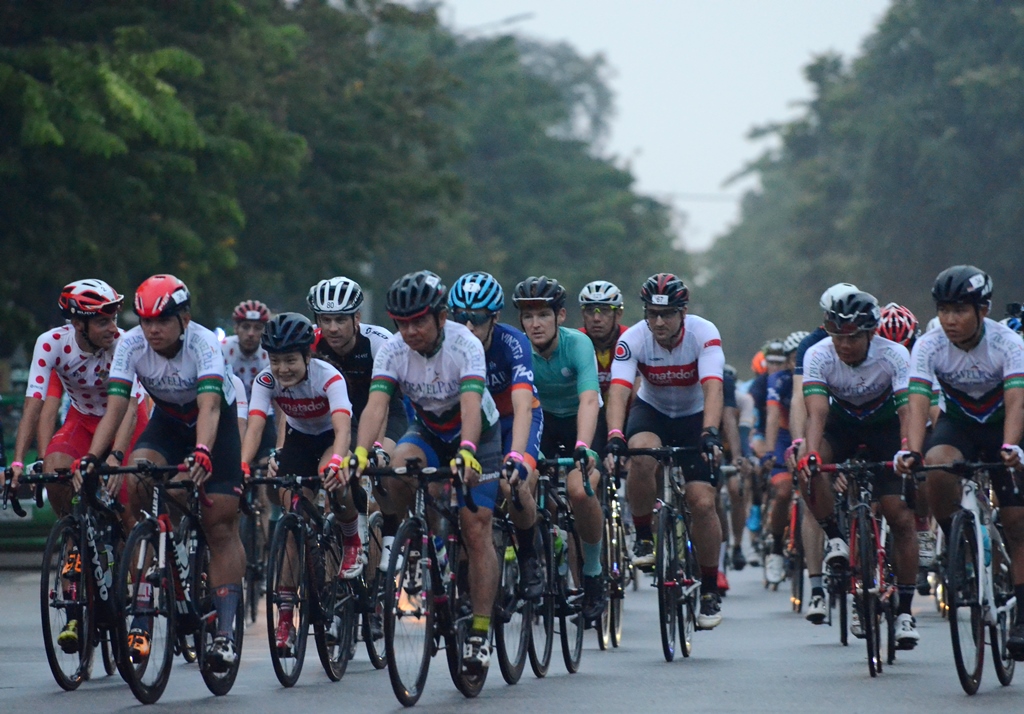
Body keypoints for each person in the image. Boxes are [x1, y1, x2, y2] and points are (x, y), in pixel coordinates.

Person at [80, 274, 245, 670]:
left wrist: (203, 452)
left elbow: (209, 407)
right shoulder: (131, 345)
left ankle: (223, 632)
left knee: (218, 523)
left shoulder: (204, 344)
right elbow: (116, 407)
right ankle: (144, 601)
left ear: (183, 319)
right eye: (145, 320)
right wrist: (91, 457)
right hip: (169, 422)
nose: (152, 330)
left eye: (162, 321)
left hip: (214, 425)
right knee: (137, 481)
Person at [340, 270, 501, 674]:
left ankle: (480, 631)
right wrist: (360, 453)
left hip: (476, 433)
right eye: (402, 323)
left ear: (441, 317)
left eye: (419, 322)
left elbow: (470, 405)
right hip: (428, 429)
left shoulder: (465, 345)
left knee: (476, 525)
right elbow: (377, 405)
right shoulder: (393, 350)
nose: (410, 331)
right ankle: (418, 547)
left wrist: (466, 451)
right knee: (393, 469)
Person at [3, 279, 148, 654]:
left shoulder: (125, 344)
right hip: (83, 422)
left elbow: (130, 409)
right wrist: (20, 461)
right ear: (79, 324)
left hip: (126, 425)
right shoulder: (52, 343)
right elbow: (34, 402)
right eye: (103, 321)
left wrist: (115, 458)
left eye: (114, 318)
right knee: (56, 464)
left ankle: (142, 609)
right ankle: (75, 537)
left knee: (128, 506)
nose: (112, 327)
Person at [895, 266, 1024, 658]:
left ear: (982, 310)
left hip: (1004, 423)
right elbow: (917, 401)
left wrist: (1011, 446)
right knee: (936, 463)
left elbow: (1018, 399)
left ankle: (1021, 614)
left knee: (1017, 521)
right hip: (960, 424)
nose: (950, 320)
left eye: (960, 311)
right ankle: (955, 541)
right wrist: (912, 451)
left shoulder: (1008, 343)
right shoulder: (930, 345)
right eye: (944, 310)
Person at [798, 290, 920, 647]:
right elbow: (817, 413)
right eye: (837, 336)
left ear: (871, 333)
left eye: (852, 337)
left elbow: (905, 412)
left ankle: (906, 612)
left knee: (899, 515)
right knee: (810, 465)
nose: (844, 345)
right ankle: (835, 535)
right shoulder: (818, 354)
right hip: (841, 425)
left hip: (883, 428)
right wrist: (811, 456)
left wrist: (906, 453)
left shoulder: (894, 355)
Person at [605, 273, 726, 629]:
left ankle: (708, 587)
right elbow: (619, 390)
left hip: (694, 417)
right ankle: (643, 536)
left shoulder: (704, 334)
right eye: (652, 314)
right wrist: (614, 434)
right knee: (640, 453)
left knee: (702, 502)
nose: (658, 322)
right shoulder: (633, 339)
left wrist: (710, 432)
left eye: (667, 315)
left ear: (683, 313)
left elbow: (713, 389)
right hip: (652, 411)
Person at [241, 312, 358, 652]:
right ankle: (284, 623)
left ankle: (350, 539)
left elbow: (342, 428)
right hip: (298, 440)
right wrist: (243, 466)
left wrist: (338, 461)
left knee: (333, 479)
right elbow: (256, 425)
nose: (283, 369)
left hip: (329, 440)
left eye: (290, 360)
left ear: (308, 356)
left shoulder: (329, 377)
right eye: (276, 361)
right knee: (292, 526)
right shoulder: (265, 381)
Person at [513, 276, 607, 623]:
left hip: (582, 420)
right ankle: (544, 542)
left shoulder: (578, 345)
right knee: (523, 480)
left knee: (579, 491)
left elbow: (587, 398)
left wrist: (583, 445)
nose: (534, 324)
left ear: (561, 316)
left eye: (542, 315)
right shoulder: (520, 347)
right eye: (527, 316)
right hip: (542, 422)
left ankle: (593, 575)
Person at [448, 272, 545, 598]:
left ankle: (530, 554)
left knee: (510, 482)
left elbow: (522, 408)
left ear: (495, 318)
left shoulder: (513, 343)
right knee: (460, 494)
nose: (469, 328)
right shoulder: (449, 345)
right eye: (460, 318)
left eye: (477, 319)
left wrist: (515, 456)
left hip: (514, 420)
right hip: (474, 424)